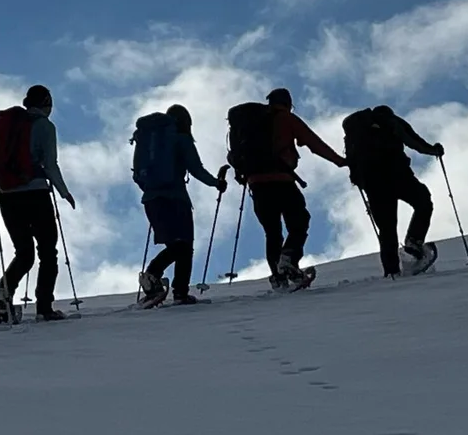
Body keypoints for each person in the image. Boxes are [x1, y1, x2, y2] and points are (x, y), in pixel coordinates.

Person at [226, 87, 347, 289]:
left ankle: (279, 277)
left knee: (272, 232)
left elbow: (234, 155)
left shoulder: (248, 124)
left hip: (256, 183)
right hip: (281, 180)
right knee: (299, 221)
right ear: (288, 103)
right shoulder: (285, 118)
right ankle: (289, 259)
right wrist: (339, 161)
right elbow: (313, 143)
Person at [0, 84, 77, 323]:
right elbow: (50, 165)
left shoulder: (6, 125)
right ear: (46, 103)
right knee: (48, 251)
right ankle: (44, 307)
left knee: (24, 253)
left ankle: (4, 294)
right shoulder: (45, 126)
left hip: (7, 195)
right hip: (35, 193)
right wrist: (64, 192)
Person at [131, 104, 226, 308]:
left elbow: (137, 174)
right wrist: (216, 183)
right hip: (175, 198)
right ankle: (169, 285)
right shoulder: (180, 138)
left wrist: (152, 188)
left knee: (176, 246)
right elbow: (196, 169)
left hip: (151, 200)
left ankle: (157, 280)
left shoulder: (148, 140)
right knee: (184, 246)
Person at [342, 104, 443, 277]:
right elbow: (413, 141)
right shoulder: (390, 121)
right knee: (423, 202)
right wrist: (434, 150)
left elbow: (352, 160)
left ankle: (392, 272)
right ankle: (413, 242)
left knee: (387, 228)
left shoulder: (356, 132)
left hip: (373, 183)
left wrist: (359, 180)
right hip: (398, 175)